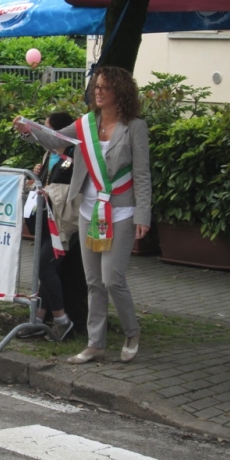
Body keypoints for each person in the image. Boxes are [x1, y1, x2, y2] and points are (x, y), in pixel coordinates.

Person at [14, 66, 151, 364]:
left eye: (104, 87)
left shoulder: (134, 127)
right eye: (96, 87)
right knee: (94, 281)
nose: (97, 92)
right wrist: (29, 130)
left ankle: (132, 331)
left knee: (113, 279)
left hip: (121, 210)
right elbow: (54, 139)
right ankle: (95, 343)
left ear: (120, 92)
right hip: (88, 209)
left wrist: (143, 214)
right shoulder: (86, 124)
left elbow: (142, 174)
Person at [17, 112, 82, 341]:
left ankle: (63, 321)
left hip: (64, 221)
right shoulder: (49, 154)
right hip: (46, 219)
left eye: (48, 129)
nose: (45, 135)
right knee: (46, 268)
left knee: (45, 266)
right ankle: (39, 320)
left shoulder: (75, 153)